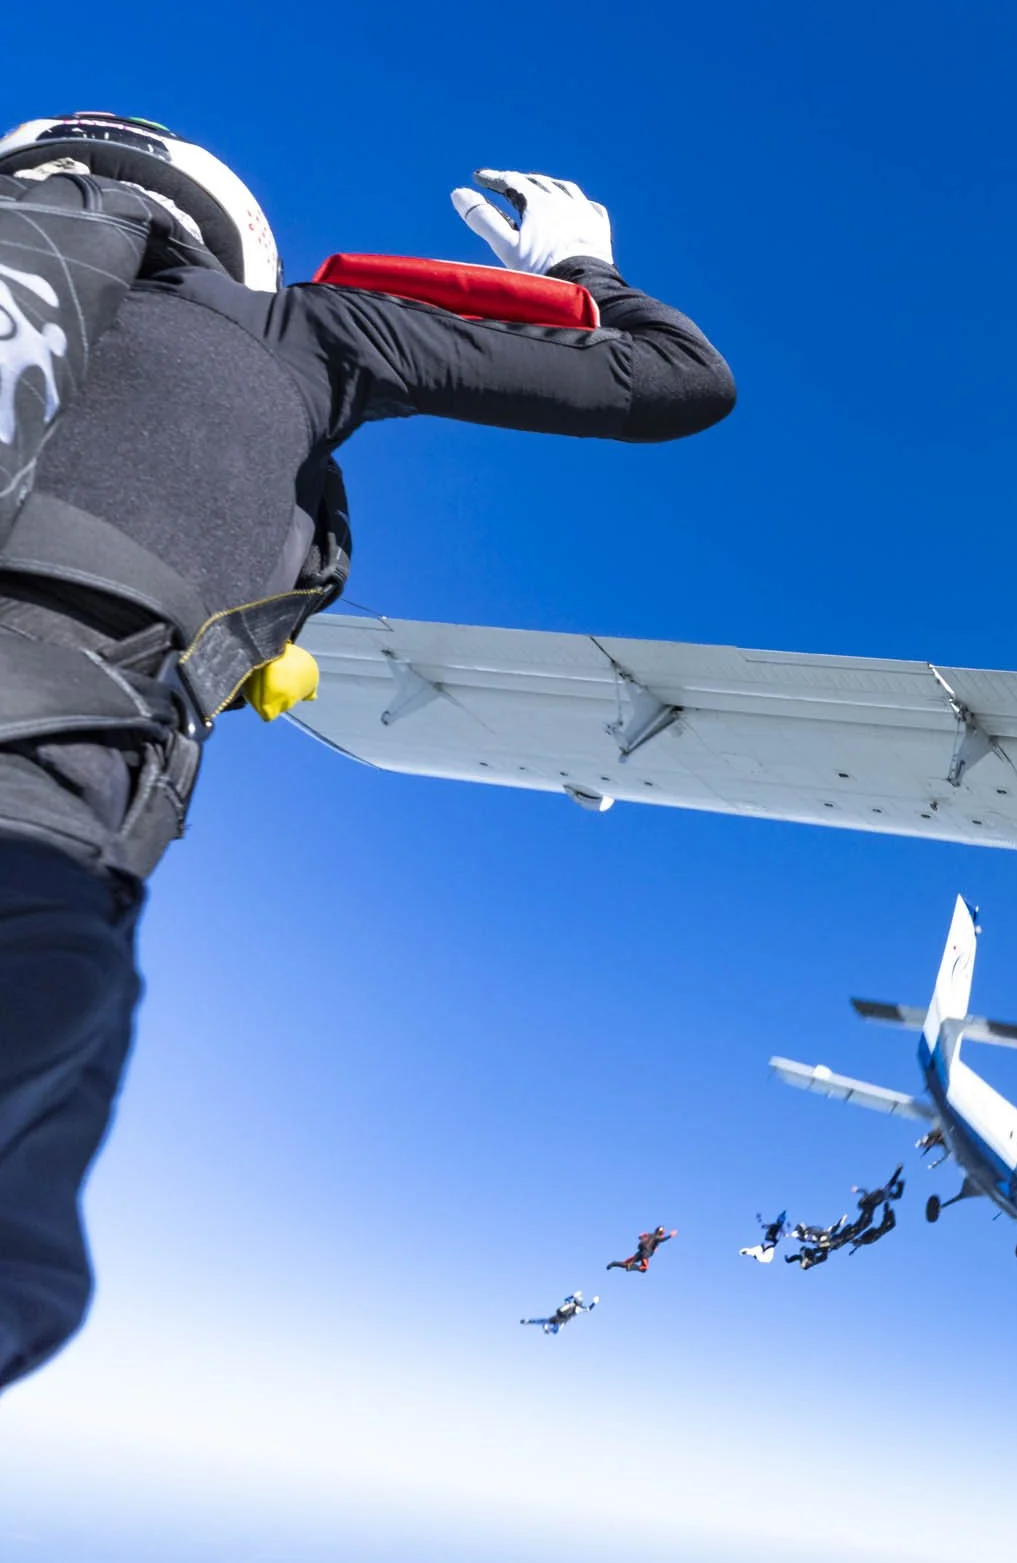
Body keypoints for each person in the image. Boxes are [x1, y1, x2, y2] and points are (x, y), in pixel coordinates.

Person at [0, 114, 736, 1389]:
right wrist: (583, 271)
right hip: (41, 812)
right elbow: (677, 379)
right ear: (225, 231)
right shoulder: (308, 328)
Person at [606, 1225, 677, 1272]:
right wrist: (670, 1236)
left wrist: (642, 1236)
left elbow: (641, 1236)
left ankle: (614, 1263)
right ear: (661, 1233)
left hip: (639, 1252)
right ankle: (631, 1266)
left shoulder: (649, 1234)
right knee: (644, 1268)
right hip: (645, 1253)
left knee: (626, 1263)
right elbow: (662, 1239)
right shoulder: (657, 1237)